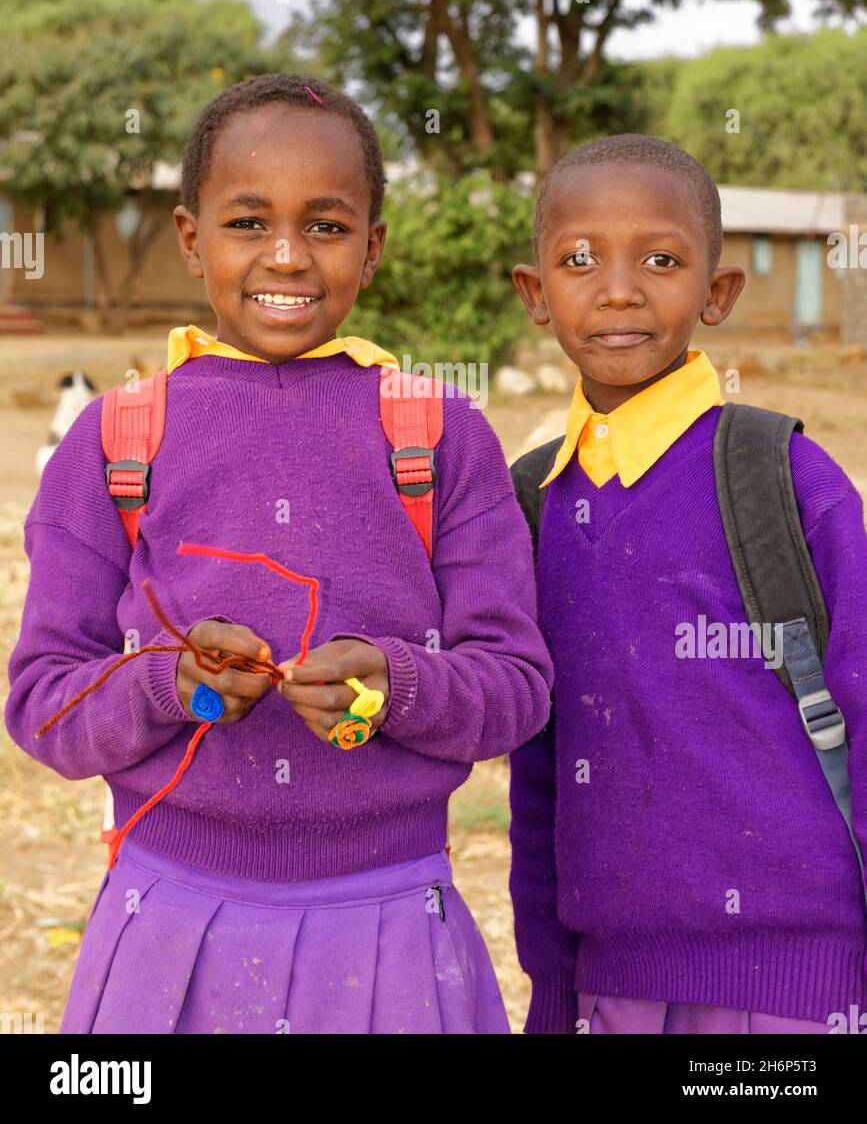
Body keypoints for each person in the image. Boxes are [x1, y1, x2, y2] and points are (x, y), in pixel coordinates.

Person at [6, 73, 552, 1035]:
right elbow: (43, 703)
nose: (288, 256)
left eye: (328, 227)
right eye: (248, 222)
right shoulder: (117, 437)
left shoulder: (437, 433)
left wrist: (398, 682)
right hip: (168, 924)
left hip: (390, 921)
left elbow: (514, 688)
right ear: (190, 237)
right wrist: (170, 683)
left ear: (373, 248)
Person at [508, 133, 867, 1034]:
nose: (619, 288)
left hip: (799, 986)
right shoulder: (535, 502)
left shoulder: (781, 477)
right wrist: (555, 991)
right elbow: (538, 771)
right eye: (579, 260)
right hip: (608, 986)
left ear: (717, 293)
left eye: (660, 260)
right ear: (535, 295)